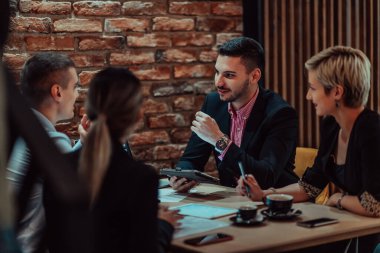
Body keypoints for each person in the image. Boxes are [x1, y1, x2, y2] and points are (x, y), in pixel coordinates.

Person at [237, 46, 380, 252]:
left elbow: (373, 205)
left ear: (337, 92)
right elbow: (310, 186)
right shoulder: (331, 126)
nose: (307, 96)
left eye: (313, 88)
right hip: (354, 226)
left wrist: (338, 199)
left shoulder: (371, 129)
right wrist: (265, 195)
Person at [44, 67, 182, 253]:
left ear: (88, 113)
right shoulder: (140, 177)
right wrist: (164, 225)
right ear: (138, 116)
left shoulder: (57, 168)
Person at [171, 36, 299, 192]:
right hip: (231, 201)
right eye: (217, 72)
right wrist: (181, 175)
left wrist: (219, 140)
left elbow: (266, 177)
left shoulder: (280, 114)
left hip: (273, 204)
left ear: (254, 76)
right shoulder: (213, 103)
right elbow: (191, 159)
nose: (219, 82)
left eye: (229, 75)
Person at [6, 52, 81, 253]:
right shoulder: (51, 142)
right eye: (75, 87)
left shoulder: (15, 132)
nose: (77, 95)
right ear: (57, 92)